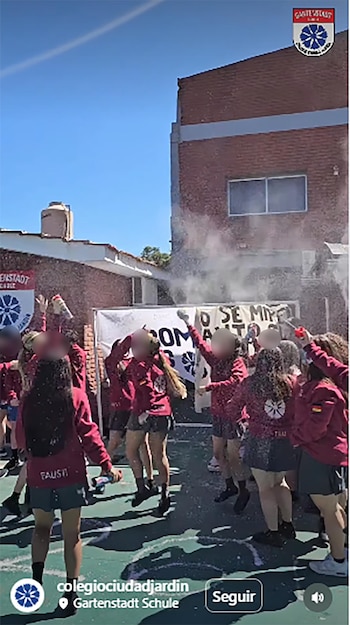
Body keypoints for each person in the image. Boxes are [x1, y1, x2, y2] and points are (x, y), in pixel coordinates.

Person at [16, 355, 121, 617]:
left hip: (39, 474)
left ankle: (36, 582)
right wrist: (107, 466)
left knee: (41, 528)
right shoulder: (75, 396)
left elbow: (19, 438)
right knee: (71, 534)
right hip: (70, 475)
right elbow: (89, 434)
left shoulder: (29, 398)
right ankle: (70, 594)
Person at [177, 310, 250, 513]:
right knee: (218, 454)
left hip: (235, 417)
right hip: (218, 415)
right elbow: (200, 343)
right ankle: (230, 486)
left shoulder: (238, 363)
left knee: (234, 457)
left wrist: (209, 387)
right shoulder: (215, 360)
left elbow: (235, 382)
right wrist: (188, 324)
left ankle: (244, 490)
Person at [291, 333, 348, 577]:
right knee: (337, 505)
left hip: (321, 455)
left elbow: (316, 427)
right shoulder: (335, 385)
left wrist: (294, 437)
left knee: (329, 508)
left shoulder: (323, 390)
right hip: (336, 454)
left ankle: (338, 561)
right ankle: (342, 550)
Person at [113, 328, 186, 515]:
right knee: (156, 455)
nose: (133, 348)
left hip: (146, 412)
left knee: (136, 452)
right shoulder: (160, 359)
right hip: (158, 412)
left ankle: (147, 488)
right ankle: (161, 492)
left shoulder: (139, 365)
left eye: (136, 345)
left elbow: (148, 390)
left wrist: (148, 410)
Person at [229, 348, 297, 547]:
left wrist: (242, 421)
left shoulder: (250, 384)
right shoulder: (291, 382)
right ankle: (288, 524)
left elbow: (233, 408)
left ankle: (273, 532)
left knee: (265, 488)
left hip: (259, 439)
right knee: (280, 482)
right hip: (285, 439)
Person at [105, 339, 156, 497]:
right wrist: (131, 339)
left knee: (143, 444)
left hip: (134, 407)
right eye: (125, 347)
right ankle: (104, 471)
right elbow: (117, 356)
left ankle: (150, 480)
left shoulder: (134, 362)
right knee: (114, 441)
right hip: (119, 408)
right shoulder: (110, 362)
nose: (128, 350)